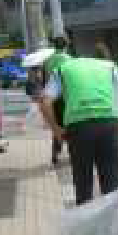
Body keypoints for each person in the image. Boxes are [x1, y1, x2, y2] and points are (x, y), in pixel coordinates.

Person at [40, 46, 118, 235]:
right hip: (109, 125)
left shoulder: (63, 68)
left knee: (84, 189)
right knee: (112, 189)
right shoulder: (110, 67)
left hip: (79, 130)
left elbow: (45, 101)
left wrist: (57, 131)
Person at [43, 36, 71, 165]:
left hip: (52, 97)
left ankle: (55, 153)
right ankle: (73, 151)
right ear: (66, 46)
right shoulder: (68, 59)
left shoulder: (48, 61)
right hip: (66, 97)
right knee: (70, 124)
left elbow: (46, 79)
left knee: (57, 125)